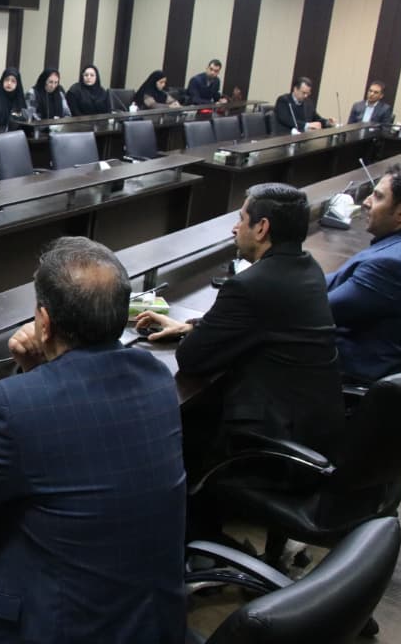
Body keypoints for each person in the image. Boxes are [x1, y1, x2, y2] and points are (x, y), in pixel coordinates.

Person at [0, 237, 187, 643]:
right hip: (150, 623)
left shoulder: (13, 405)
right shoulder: (157, 379)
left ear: (44, 321)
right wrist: (36, 371)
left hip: (55, 629)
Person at [135, 183, 344, 469]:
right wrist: (191, 327)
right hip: (314, 425)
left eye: (242, 219)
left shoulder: (250, 285)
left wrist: (197, 336)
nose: (235, 229)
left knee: (177, 422)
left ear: (262, 228)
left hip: (274, 440)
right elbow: (263, 323)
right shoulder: (308, 268)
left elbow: (192, 359)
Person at [326, 165, 401, 382]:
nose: (366, 202)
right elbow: (335, 283)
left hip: (348, 368)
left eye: (378, 197)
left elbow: (318, 311)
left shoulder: (395, 265)